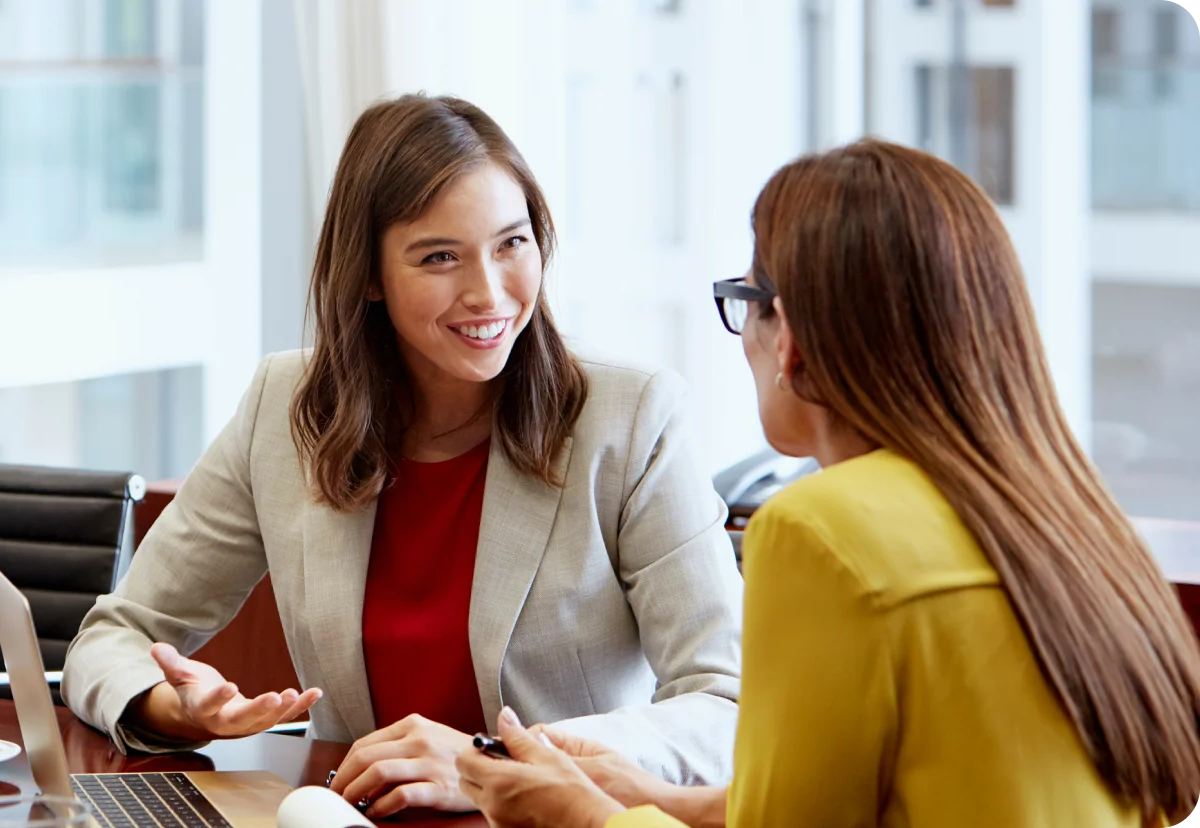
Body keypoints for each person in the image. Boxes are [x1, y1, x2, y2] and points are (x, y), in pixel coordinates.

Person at [455, 139, 1200, 828]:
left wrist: (579, 817)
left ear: (793, 340)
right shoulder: (1072, 516)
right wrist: (656, 801)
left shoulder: (817, 530)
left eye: (745, 303)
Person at [61, 93, 744, 819]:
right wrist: (173, 707)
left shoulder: (631, 418)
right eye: (440, 257)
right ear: (368, 278)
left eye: (512, 243)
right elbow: (113, 636)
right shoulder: (285, 407)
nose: (489, 292)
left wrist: (487, 764)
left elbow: (726, 706)